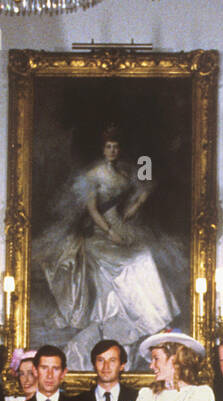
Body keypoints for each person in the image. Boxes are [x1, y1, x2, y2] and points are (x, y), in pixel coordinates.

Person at [31, 124, 184, 368]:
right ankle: (120, 318)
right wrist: (109, 232)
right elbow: (92, 209)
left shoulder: (125, 173)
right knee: (125, 264)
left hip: (122, 227)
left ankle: (153, 317)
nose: (112, 151)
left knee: (144, 257)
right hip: (99, 232)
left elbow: (134, 200)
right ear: (103, 150)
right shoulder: (93, 175)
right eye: (108, 147)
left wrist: (139, 202)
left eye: (115, 147)